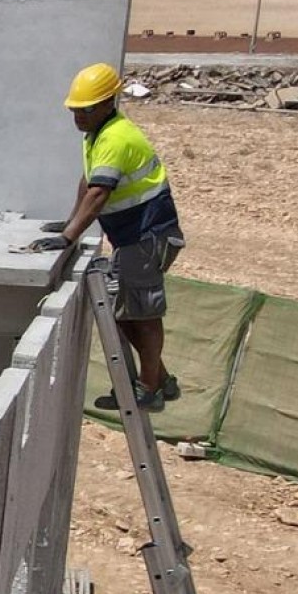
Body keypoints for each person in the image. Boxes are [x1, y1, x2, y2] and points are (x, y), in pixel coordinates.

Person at [39, 61, 187, 411]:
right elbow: (88, 182)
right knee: (126, 313)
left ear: (108, 103)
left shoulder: (117, 138)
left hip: (148, 236)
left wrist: (69, 237)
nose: (78, 117)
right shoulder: (98, 136)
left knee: (144, 316)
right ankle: (161, 380)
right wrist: (71, 223)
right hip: (133, 237)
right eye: (75, 111)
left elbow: (99, 193)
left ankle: (149, 389)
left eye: (85, 110)